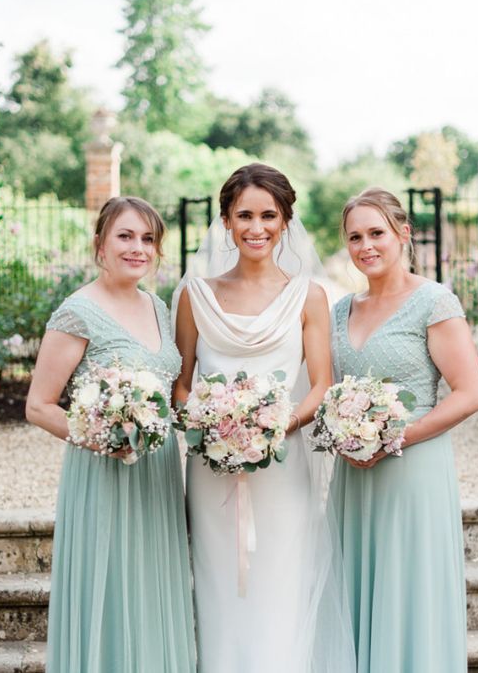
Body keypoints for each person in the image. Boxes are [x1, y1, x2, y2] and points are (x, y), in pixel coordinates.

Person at [173, 163, 355, 673]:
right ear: (226, 221)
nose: (256, 228)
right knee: (218, 583)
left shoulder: (309, 296)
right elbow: (182, 382)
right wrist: (214, 427)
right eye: (244, 215)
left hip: (282, 464)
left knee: (281, 580)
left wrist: (271, 428)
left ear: (285, 222)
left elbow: (321, 383)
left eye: (268, 215)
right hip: (211, 469)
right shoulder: (195, 295)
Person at [26, 196, 196, 673]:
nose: (137, 248)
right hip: (104, 470)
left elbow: (170, 394)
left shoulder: (159, 308)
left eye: (148, 239)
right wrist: (101, 437)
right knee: (111, 586)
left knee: (152, 584)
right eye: (125, 236)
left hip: (157, 473)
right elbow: (38, 406)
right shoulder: (78, 311)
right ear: (100, 243)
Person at [328, 188, 478, 672]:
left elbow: (470, 393)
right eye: (355, 237)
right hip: (353, 474)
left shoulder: (433, 301)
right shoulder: (340, 309)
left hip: (412, 468)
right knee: (356, 587)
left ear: (404, 234)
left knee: (408, 588)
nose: (366, 246)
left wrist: (393, 438)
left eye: (377, 233)